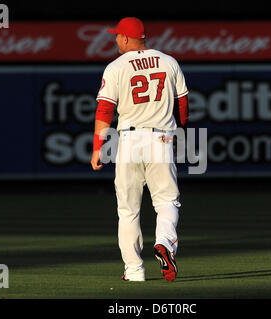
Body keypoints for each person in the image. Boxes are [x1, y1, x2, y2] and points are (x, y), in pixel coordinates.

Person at [91, 17, 189, 282]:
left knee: (128, 209)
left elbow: (105, 110)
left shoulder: (115, 66)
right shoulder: (169, 62)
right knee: (167, 202)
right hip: (161, 138)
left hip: (129, 141)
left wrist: (97, 148)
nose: (114, 40)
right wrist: (178, 134)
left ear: (124, 38)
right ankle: (165, 244)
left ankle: (134, 271)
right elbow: (183, 107)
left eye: (116, 36)